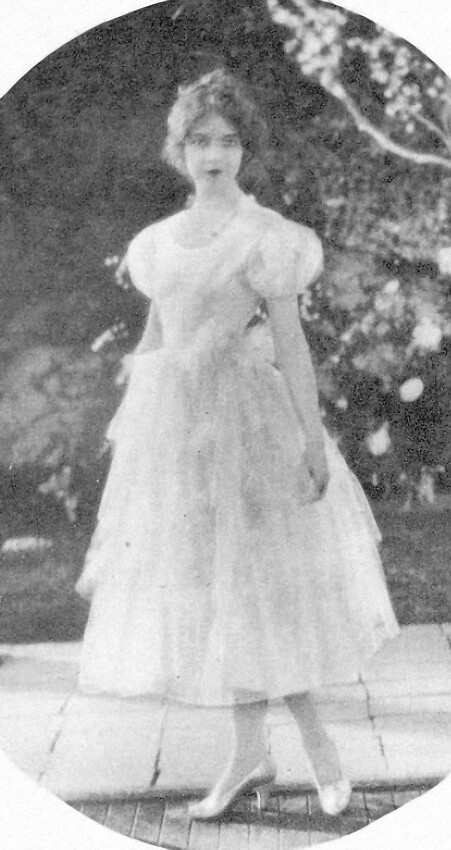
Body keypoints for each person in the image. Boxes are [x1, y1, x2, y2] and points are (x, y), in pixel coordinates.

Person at [75, 69, 399, 820]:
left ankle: (313, 747)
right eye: (199, 141)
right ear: (180, 150)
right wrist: (135, 432)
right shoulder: (157, 243)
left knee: (261, 590)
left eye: (227, 141)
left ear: (245, 149)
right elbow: (156, 336)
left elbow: (291, 345)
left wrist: (312, 441)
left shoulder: (267, 237)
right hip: (179, 433)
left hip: (250, 426)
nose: (213, 154)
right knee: (216, 594)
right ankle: (249, 753)